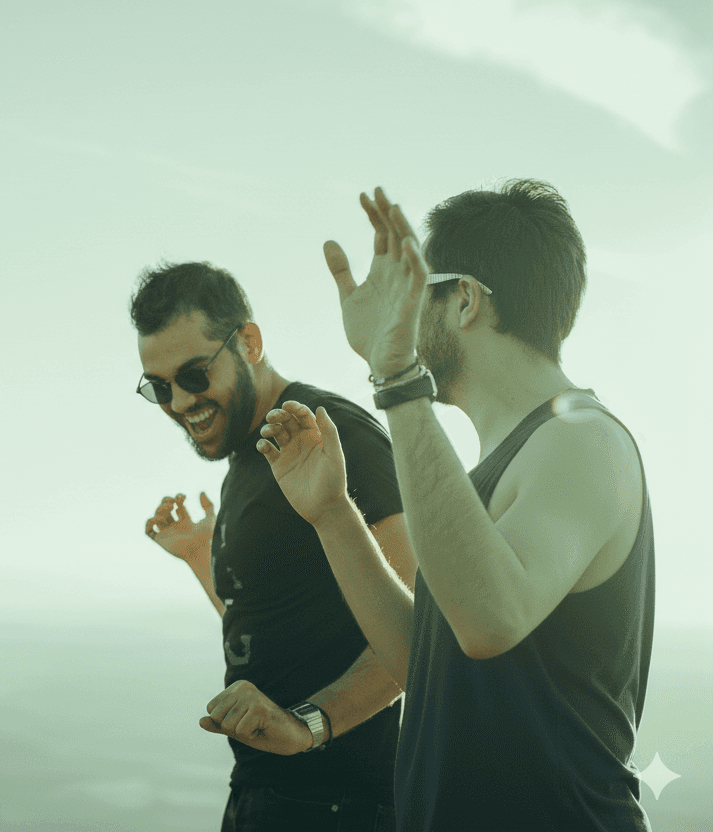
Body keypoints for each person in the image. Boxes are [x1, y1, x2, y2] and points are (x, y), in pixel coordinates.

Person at [258, 182, 653, 830]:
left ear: (464, 298)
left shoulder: (585, 439)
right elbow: (432, 662)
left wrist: (396, 374)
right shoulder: (500, 467)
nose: (402, 319)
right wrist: (332, 514)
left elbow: (489, 619)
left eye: (418, 294)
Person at [132, 262, 417, 832]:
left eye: (193, 375)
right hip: (265, 794)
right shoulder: (246, 455)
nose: (180, 403)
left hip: (342, 804)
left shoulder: (328, 434)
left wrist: (308, 725)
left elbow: (417, 632)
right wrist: (200, 558)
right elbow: (277, 625)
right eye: (159, 387)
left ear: (249, 342)